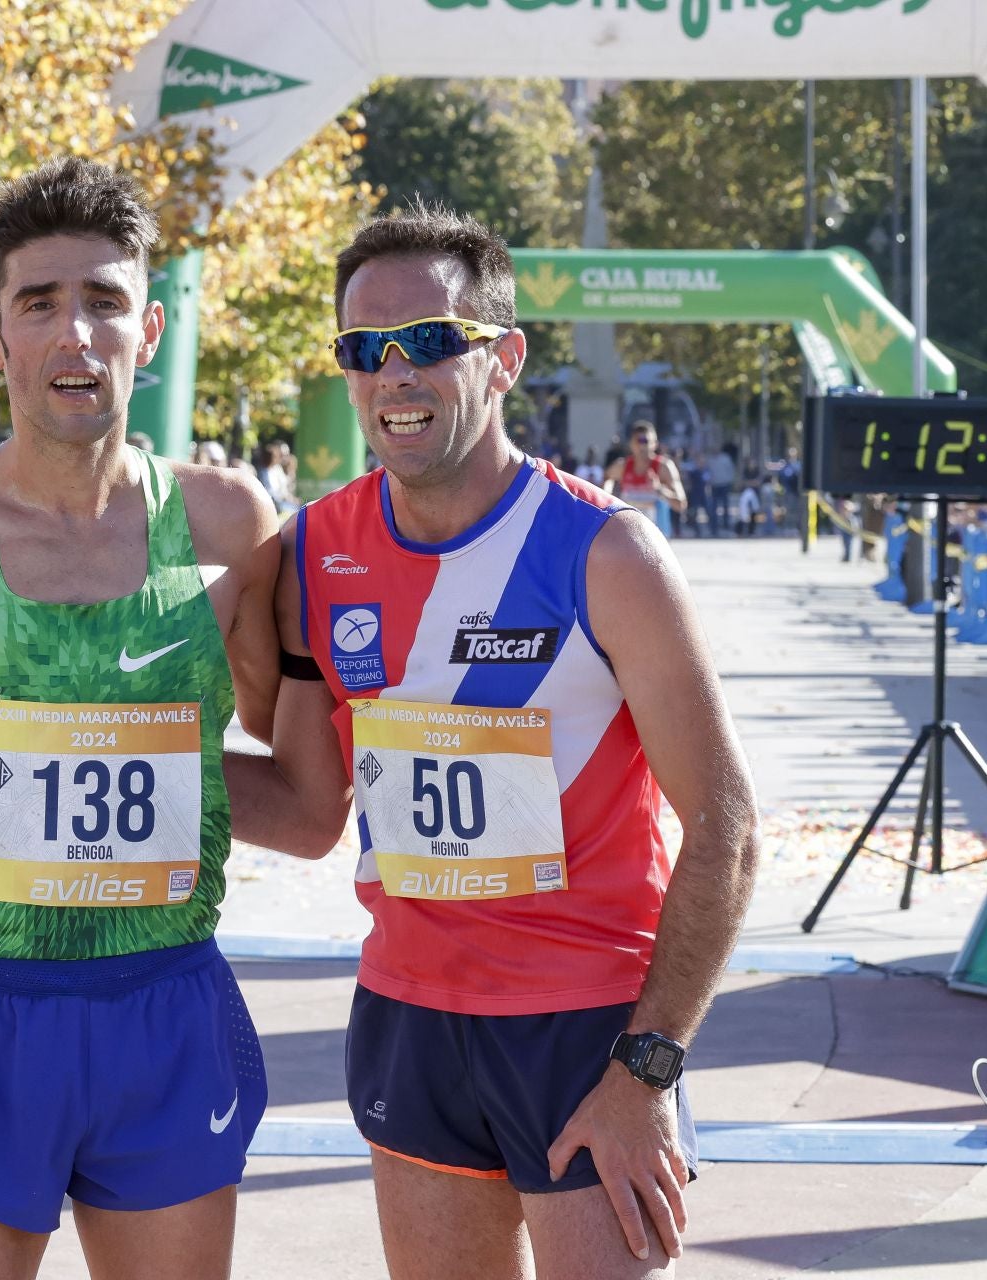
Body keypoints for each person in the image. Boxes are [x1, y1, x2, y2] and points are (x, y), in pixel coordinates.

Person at [0, 158, 286, 1280]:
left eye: (105, 301)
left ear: (151, 328)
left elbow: (302, 774)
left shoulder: (230, 525)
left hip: (164, 1000)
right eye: (41, 304)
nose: (76, 334)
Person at [269, 204, 758, 1278]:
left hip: (585, 1030)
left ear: (505, 359)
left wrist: (647, 1067)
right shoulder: (312, 548)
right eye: (365, 350)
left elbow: (727, 829)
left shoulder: (608, 553)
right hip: (407, 1011)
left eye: (433, 342)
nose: (396, 375)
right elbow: (309, 807)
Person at [608, 420, 684, 537]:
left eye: (646, 441)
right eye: (638, 441)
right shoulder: (622, 466)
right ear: (631, 444)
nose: (642, 446)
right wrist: (609, 495)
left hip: (656, 536)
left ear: (655, 444)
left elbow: (681, 504)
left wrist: (660, 490)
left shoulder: (663, 467)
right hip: (629, 535)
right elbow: (606, 479)